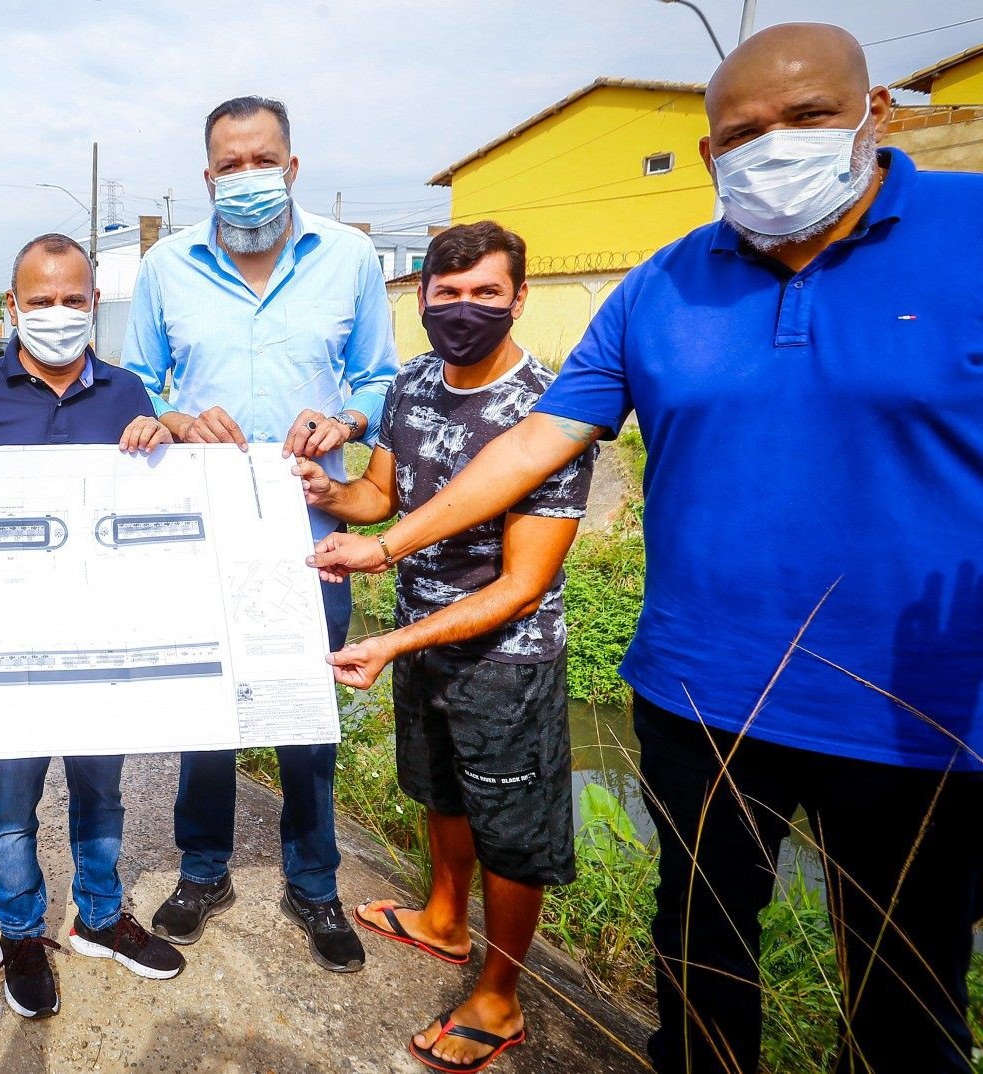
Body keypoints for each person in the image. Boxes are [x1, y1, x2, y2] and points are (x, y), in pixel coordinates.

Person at [314, 25, 982, 1074]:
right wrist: (384, 540)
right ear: (713, 154)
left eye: (808, 119)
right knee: (700, 959)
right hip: (700, 694)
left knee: (906, 992)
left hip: (919, 707)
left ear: (877, 113)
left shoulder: (972, 234)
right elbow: (535, 443)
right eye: (744, 132)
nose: (777, 148)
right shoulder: (663, 285)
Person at [122, 95, 400, 969]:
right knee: (206, 708)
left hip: (310, 527)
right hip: (198, 531)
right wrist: (171, 417)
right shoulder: (165, 266)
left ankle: (313, 884)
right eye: (229, 164)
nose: (247, 177)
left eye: (262, 160)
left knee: (307, 713)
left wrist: (347, 422)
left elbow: (380, 376)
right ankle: (203, 869)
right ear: (207, 177)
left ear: (291, 166)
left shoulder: (350, 257)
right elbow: (135, 381)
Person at [305, 222, 590, 1070]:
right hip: (420, 639)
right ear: (421, 295)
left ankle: (500, 1001)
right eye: (448, 292)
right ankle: (441, 919)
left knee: (513, 833)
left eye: (486, 293)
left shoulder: (552, 409)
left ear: (518, 298)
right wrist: (329, 490)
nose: (464, 309)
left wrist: (391, 638)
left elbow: (520, 585)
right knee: (441, 791)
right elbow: (382, 497)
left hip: (507, 659)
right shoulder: (413, 383)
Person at [0, 233, 183, 1019]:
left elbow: (155, 507)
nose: (57, 314)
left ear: (94, 304)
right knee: (11, 799)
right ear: (13, 306)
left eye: (73, 299)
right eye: (40, 301)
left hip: (101, 637)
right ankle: (19, 932)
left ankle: (100, 917)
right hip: (7, 642)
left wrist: (165, 436)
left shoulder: (127, 393)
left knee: (100, 790)